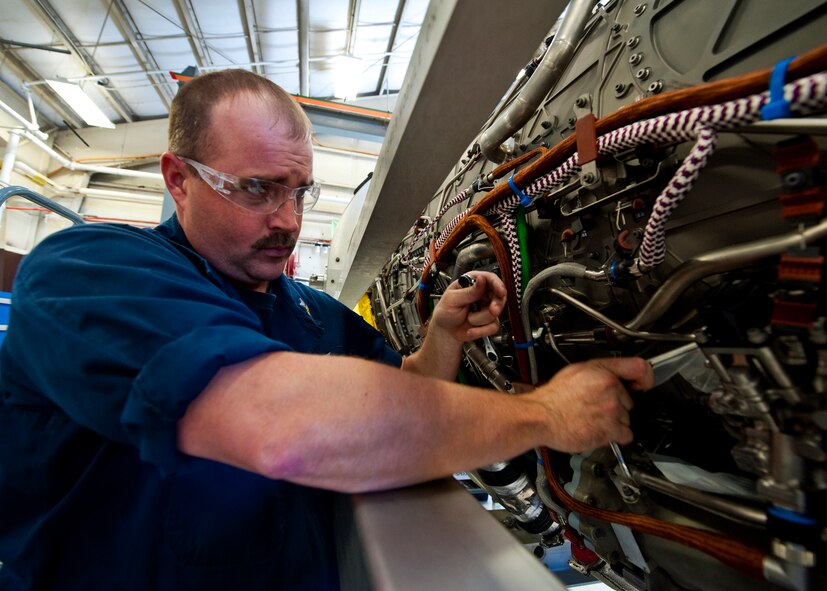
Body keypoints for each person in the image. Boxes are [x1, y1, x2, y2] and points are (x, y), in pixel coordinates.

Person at [0, 69, 652, 590]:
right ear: (179, 178)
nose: (288, 220)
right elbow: (288, 423)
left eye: (300, 190)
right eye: (258, 189)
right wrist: (545, 414)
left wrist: (441, 340)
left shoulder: (303, 308)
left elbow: (398, 392)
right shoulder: (89, 270)